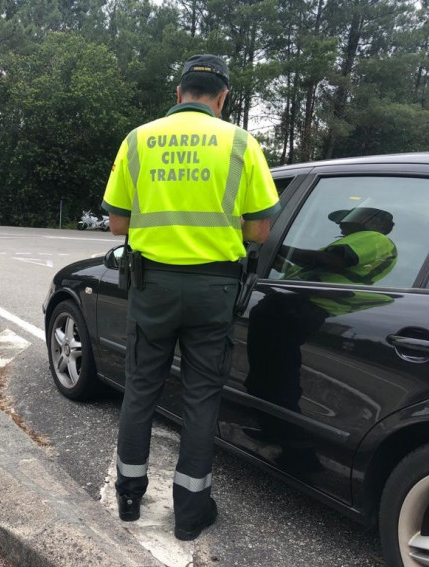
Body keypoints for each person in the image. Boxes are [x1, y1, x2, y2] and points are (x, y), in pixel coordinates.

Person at [101, 54, 280, 541]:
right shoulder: (242, 142)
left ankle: (130, 499)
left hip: (152, 286)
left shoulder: (138, 139)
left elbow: (117, 222)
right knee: (201, 399)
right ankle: (190, 513)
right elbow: (260, 230)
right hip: (214, 290)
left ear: (178, 94)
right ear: (222, 99)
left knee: (140, 392)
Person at [244, 207, 397, 473]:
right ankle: (273, 433)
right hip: (292, 307)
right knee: (264, 380)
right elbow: (311, 269)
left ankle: (300, 454)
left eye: (346, 220)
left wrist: (278, 244)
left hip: (301, 310)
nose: (341, 226)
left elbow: (331, 261)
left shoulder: (375, 238)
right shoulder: (354, 242)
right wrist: (280, 260)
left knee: (280, 382)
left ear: (371, 221)